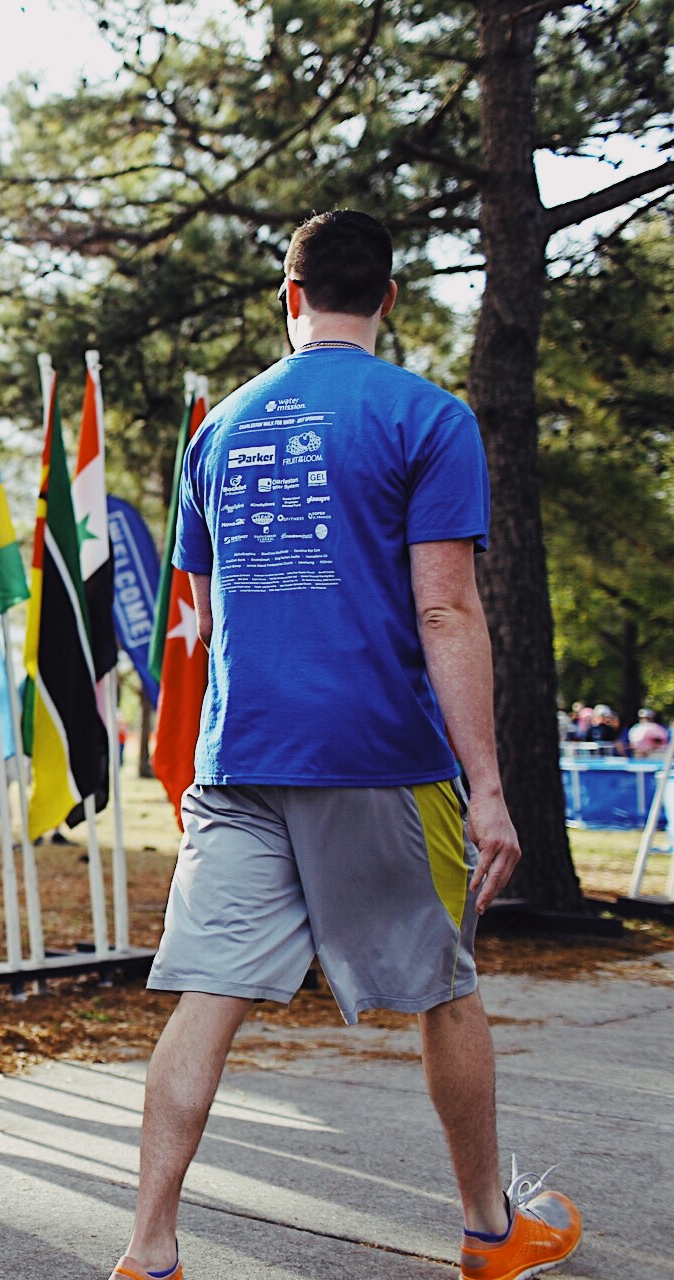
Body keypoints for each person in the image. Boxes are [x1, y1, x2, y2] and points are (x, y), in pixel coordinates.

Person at [108, 212, 582, 1280]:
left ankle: (148, 1249)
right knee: (445, 988)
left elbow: (204, 605)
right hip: (378, 755)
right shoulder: (428, 416)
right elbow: (449, 611)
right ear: (390, 299)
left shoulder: (219, 428)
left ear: (290, 296)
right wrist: (491, 788)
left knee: (206, 999)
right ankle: (490, 1234)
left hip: (239, 754)